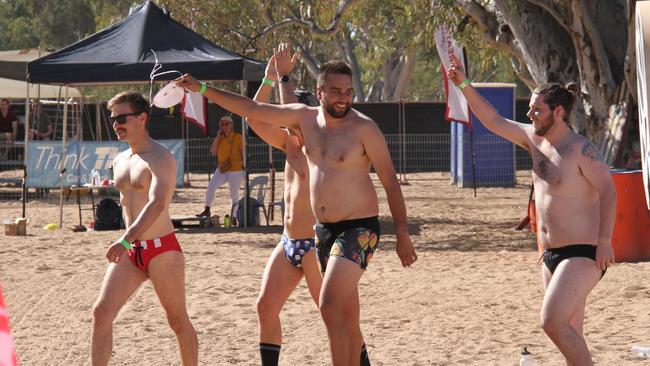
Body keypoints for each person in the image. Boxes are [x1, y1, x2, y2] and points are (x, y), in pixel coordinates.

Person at [177, 57, 417, 366]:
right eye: (335, 91)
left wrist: (402, 233)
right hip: (323, 232)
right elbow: (252, 111)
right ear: (320, 92)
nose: (343, 97)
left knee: (329, 307)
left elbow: (391, 184)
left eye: (348, 91)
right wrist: (203, 89)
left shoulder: (364, 129)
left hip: (360, 228)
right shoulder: (302, 123)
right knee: (341, 316)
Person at [447, 54, 616, 365]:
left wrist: (605, 239)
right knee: (570, 330)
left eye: (537, 109)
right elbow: (493, 120)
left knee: (551, 322)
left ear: (559, 112)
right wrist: (464, 85)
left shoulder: (581, 149)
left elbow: (608, 191)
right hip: (550, 254)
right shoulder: (533, 139)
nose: (530, 114)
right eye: (531, 109)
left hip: (584, 252)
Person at [250, 44, 371, 366]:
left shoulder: (320, 145)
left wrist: (284, 79)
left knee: (340, 320)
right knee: (265, 306)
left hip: (319, 243)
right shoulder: (287, 142)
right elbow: (254, 115)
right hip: (288, 240)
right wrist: (268, 78)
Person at [90, 91, 198, 366]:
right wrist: (128, 242)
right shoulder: (120, 159)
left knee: (177, 321)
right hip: (132, 249)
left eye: (121, 118)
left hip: (162, 250)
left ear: (141, 118)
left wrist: (125, 239)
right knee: (101, 313)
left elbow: (157, 204)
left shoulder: (161, 157)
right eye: (113, 118)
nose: (115, 124)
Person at [195, 115, 244, 225]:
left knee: (233, 194)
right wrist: (217, 137)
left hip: (236, 169)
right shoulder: (220, 138)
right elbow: (213, 152)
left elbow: (243, 153)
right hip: (222, 169)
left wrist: (243, 167)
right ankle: (207, 209)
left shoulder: (238, 137)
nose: (224, 126)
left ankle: (234, 217)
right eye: (222, 124)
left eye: (227, 124)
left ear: (232, 125)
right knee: (211, 186)